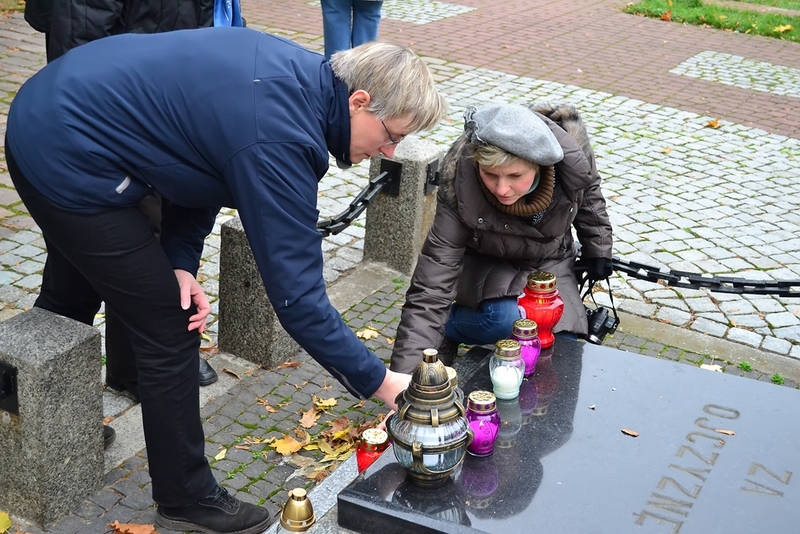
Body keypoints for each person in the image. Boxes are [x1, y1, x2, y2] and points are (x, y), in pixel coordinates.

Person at [6, 29, 446, 534]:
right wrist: (383, 383)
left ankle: (49, 434)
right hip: (66, 149)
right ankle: (185, 497)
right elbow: (297, 297)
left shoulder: (301, 78)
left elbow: (202, 164)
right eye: (392, 134)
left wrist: (180, 263)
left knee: (75, 289)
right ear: (359, 101)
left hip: (56, 108)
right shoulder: (280, 134)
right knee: (169, 325)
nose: (390, 151)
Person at [23, 0, 220, 418]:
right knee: (87, 267)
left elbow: (199, 30)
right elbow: (77, 45)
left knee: (140, 244)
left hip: (160, 112)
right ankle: (54, 409)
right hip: (103, 127)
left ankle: (126, 372)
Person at [390, 102, 613, 373]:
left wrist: (598, 248)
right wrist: (408, 383)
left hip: (547, 261)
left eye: (515, 176)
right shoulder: (461, 183)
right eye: (490, 175)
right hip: (485, 259)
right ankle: (449, 329)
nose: (502, 189)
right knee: (507, 319)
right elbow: (430, 287)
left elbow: (589, 196)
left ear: (541, 166)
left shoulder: (571, 165)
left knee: (558, 346)